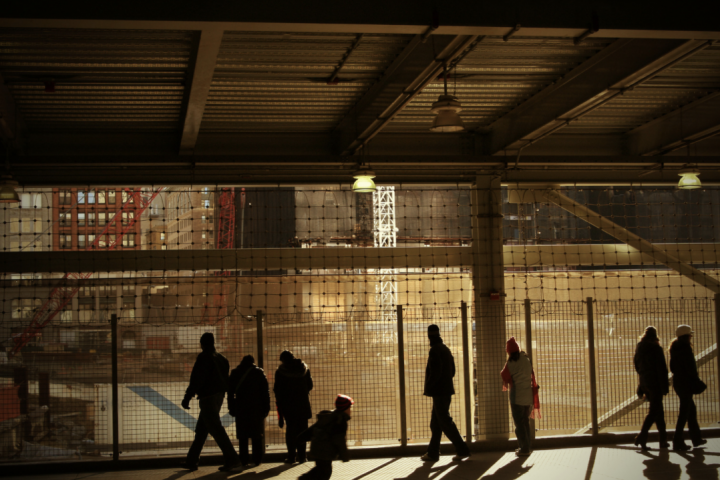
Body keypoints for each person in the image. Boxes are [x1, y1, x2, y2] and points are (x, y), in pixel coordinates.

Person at [180, 332, 241, 472]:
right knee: (202, 429)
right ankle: (191, 460)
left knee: (215, 429)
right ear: (213, 343)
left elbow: (196, 379)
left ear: (202, 343)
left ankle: (233, 460)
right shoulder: (222, 359)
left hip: (207, 397)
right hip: (219, 396)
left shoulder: (203, 358)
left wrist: (187, 397)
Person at [420, 324, 470, 462]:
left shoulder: (434, 351)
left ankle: (462, 449)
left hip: (439, 392)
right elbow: (452, 370)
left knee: (444, 422)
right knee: (436, 423)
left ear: (429, 336)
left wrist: (429, 386)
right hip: (446, 390)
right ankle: (432, 452)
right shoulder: (446, 349)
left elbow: (435, 372)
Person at [297, 394, 353, 480]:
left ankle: (304, 479)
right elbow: (339, 440)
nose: (351, 410)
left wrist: (300, 438)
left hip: (318, 448)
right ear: (345, 408)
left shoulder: (329, 416)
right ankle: (304, 479)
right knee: (325, 472)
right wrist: (344, 455)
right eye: (350, 408)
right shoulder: (340, 421)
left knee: (320, 469)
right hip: (325, 451)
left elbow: (313, 428)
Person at [500, 337, 540, 457]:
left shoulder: (511, 362)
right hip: (528, 397)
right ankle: (527, 446)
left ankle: (524, 448)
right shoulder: (526, 359)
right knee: (525, 422)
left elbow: (504, 374)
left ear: (509, 351)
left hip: (517, 397)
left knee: (519, 425)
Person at [228, 355, 270, 467]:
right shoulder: (259, 373)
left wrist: (231, 407)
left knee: (243, 435)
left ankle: (244, 460)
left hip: (241, 407)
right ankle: (257, 459)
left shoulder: (235, 373)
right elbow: (265, 392)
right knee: (256, 435)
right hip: (256, 407)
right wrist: (266, 407)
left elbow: (230, 393)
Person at [669, 324, 706, 451]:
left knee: (690, 411)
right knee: (685, 413)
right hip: (686, 384)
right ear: (687, 336)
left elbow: (672, 368)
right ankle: (678, 441)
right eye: (690, 335)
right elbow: (691, 368)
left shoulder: (674, 348)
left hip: (678, 383)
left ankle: (696, 439)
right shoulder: (686, 349)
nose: (691, 337)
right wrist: (696, 380)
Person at [633, 326, 669, 450]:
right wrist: (664, 386)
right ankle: (641, 437)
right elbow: (662, 369)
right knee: (654, 412)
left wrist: (642, 381)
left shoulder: (640, 348)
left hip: (645, 383)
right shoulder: (656, 349)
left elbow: (637, 366)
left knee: (658, 411)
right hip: (656, 384)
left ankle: (663, 440)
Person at [274, 350, 313, 463]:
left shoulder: (280, 372)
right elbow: (310, 385)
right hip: (302, 405)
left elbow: (278, 391)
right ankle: (302, 456)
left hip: (288, 406)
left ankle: (291, 457)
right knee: (302, 431)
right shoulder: (304, 369)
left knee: (291, 432)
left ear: (283, 360)